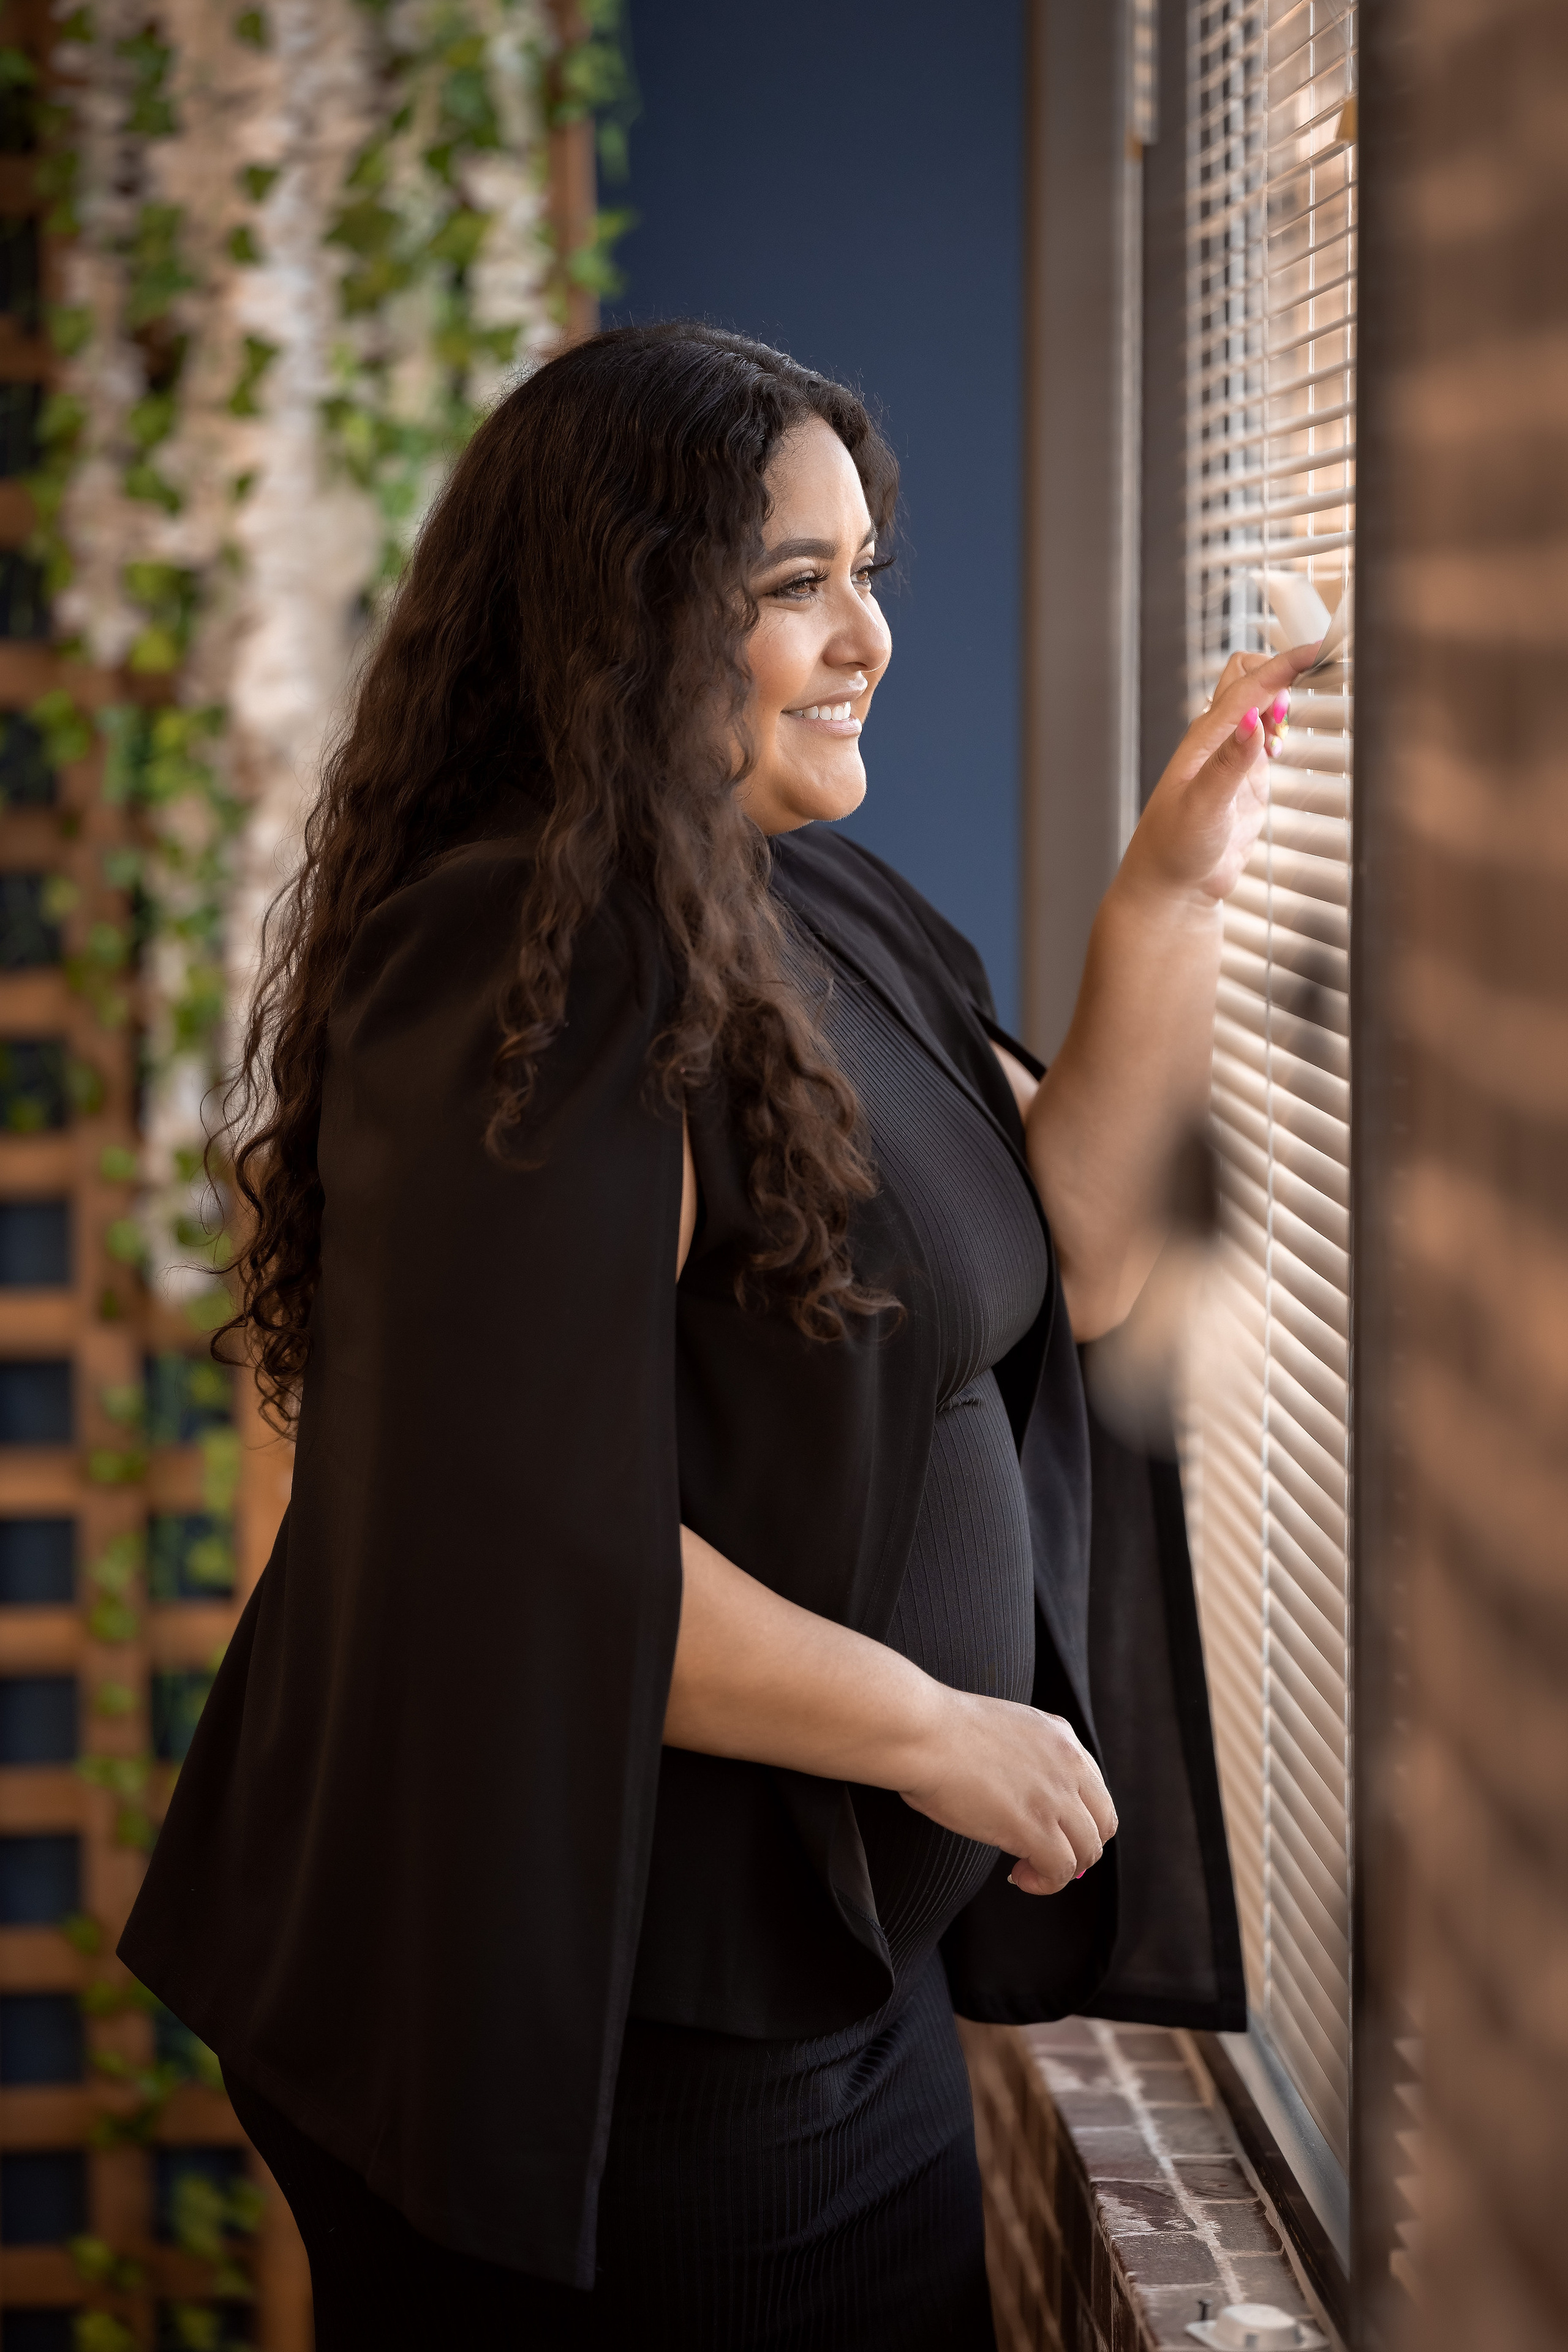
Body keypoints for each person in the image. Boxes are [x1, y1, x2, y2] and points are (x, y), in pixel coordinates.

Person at [120, 323, 1314, 2350]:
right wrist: (949, 1738)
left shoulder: (811, 911)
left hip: (803, 1993)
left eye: (868, 573)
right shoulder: (531, 968)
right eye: (795, 585)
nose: (865, 635)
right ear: (626, 611)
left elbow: (1085, 1257)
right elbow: (524, 1553)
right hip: (619, 2025)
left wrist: (1176, 888)